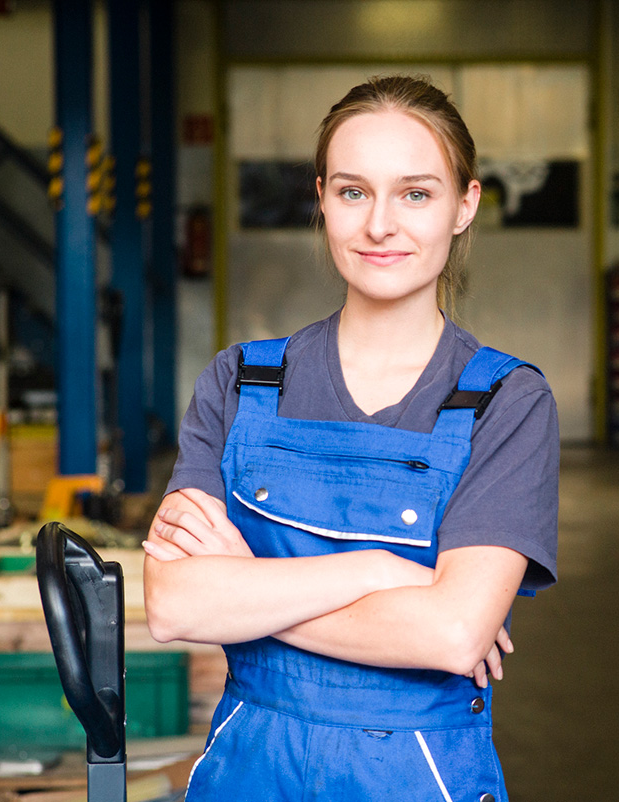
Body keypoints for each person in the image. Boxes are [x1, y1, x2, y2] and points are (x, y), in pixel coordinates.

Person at [142, 75, 559, 802]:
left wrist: (247, 593)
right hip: (247, 771)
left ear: (465, 206)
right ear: (323, 200)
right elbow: (177, 605)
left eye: (417, 194)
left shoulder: (508, 402)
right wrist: (386, 569)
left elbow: (454, 635)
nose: (380, 226)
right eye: (353, 191)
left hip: (418, 778)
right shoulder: (240, 382)